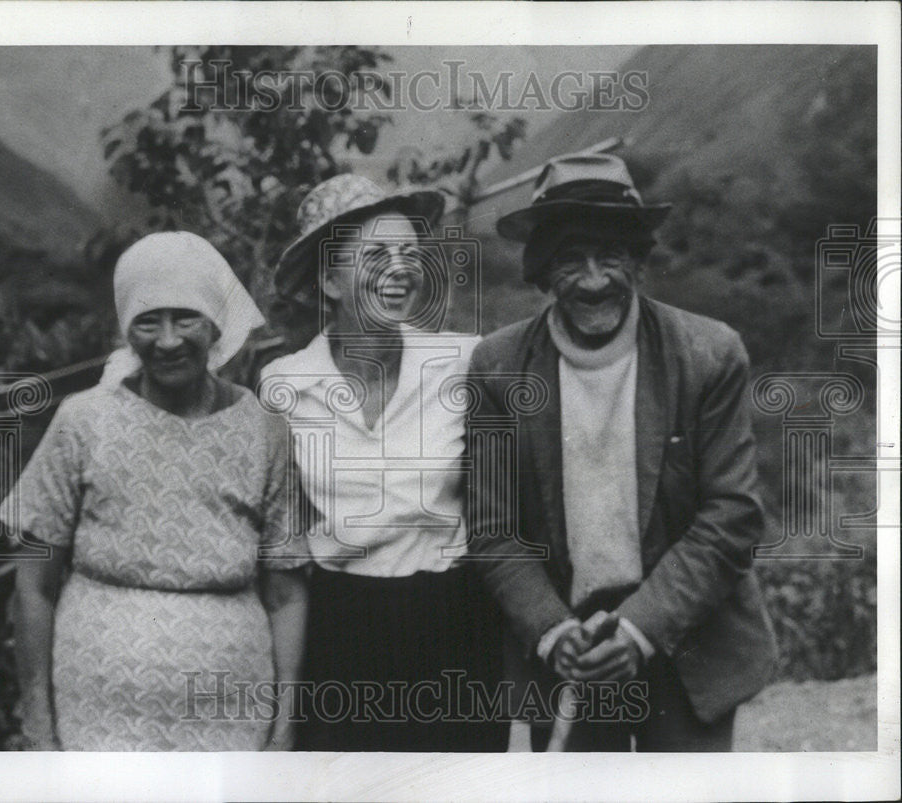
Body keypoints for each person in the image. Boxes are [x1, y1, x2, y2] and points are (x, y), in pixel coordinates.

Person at [466, 154, 778, 751]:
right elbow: (493, 530)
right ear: (540, 270)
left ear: (638, 260)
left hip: (688, 633)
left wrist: (638, 629)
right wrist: (553, 631)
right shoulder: (499, 368)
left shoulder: (709, 355)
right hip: (569, 647)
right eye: (568, 259)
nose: (592, 279)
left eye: (610, 256)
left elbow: (731, 516)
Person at [0, 231, 309, 751]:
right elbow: (34, 588)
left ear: (215, 323)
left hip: (228, 720)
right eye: (148, 320)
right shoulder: (83, 421)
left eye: (185, 317)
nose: (167, 340)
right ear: (126, 330)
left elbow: (285, 594)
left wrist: (284, 731)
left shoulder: (263, 430)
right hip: (96, 722)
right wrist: (38, 731)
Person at [260, 174, 506, 752]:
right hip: (342, 629)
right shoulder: (285, 386)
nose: (400, 269)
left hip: (454, 624)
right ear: (329, 279)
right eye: (374, 255)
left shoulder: (463, 362)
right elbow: (282, 548)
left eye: (409, 253)